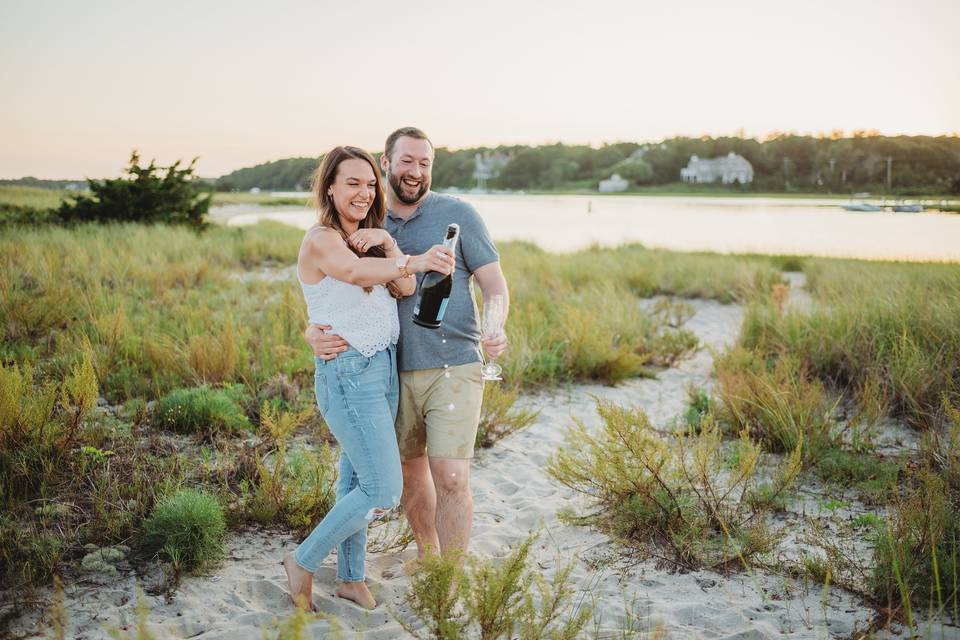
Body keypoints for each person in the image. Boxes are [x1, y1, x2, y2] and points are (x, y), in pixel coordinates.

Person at [305, 127, 509, 563]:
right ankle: (428, 558)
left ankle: (448, 575)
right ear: (385, 163)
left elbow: (494, 284)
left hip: (455, 362)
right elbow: (331, 288)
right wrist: (312, 332)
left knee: (452, 477)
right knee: (409, 474)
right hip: (391, 368)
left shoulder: (459, 214)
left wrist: (497, 325)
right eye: (406, 161)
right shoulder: (365, 221)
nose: (415, 171)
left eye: (424, 163)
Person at [283, 145, 455, 611]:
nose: (364, 192)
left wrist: (392, 245)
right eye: (352, 183)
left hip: (382, 368)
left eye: (369, 183)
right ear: (331, 188)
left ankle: (351, 578)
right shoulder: (322, 238)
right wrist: (417, 259)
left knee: (356, 479)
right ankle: (303, 560)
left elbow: (402, 288)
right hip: (347, 371)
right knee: (383, 489)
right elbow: (353, 272)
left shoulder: (370, 239)